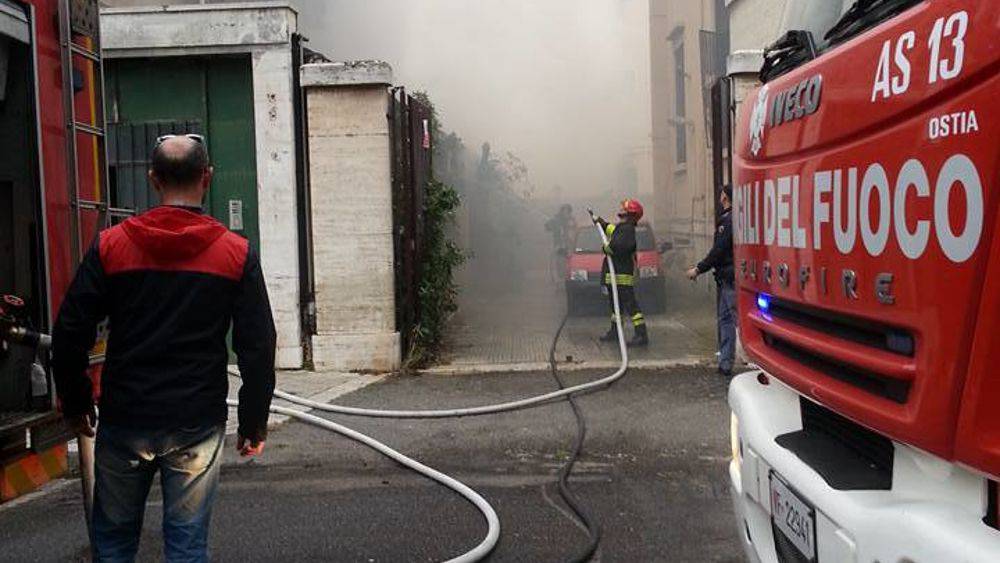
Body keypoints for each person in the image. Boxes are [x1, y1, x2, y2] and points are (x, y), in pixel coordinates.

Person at [51, 134, 276, 562]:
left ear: (153, 179)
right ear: (207, 178)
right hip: (195, 421)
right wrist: (253, 423)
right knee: (187, 545)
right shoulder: (235, 253)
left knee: (114, 543)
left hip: (125, 418)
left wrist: (76, 401)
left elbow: (70, 331)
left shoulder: (111, 246)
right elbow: (258, 346)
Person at [687, 185, 736, 377]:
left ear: (725, 197)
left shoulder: (728, 221)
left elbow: (719, 251)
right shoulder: (733, 218)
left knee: (733, 319)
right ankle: (725, 362)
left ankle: (739, 361)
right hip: (727, 278)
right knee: (726, 319)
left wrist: (699, 269)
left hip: (730, 278)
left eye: (721, 193)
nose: (719, 196)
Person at [593, 199, 648, 347]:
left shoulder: (627, 229)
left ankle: (641, 335)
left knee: (631, 307)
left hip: (621, 276)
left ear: (630, 213)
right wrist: (600, 222)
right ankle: (615, 331)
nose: (621, 210)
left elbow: (619, 247)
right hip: (614, 275)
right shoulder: (622, 228)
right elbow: (611, 230)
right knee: (614, 306)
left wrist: (606, 248)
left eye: (624, 208)